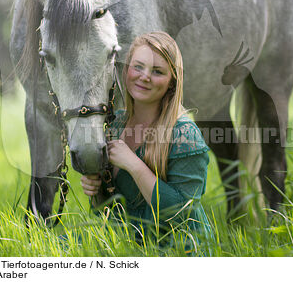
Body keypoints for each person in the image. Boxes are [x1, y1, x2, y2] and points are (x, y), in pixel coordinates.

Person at [80, 31, 212, 253]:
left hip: (175, 248)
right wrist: (95, 188)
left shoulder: (184, 135)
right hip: (125, 243)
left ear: (172, 82)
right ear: (126, 70)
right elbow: (108, 212)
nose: (145, 77)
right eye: (138, 67)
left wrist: (133, 165)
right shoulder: (116, 123)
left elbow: (179, 216)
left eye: (157, 71)